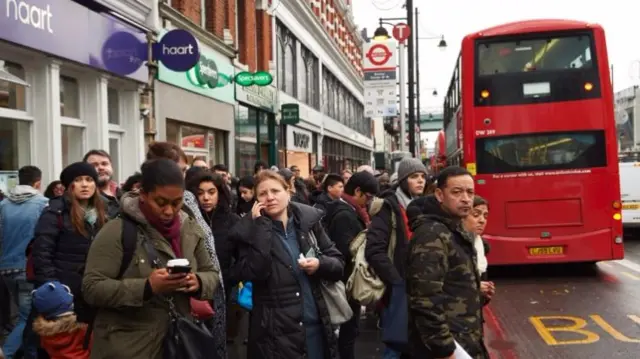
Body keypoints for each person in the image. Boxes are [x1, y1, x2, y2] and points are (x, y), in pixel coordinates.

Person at [82, 159, 220, 359]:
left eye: (176, 202)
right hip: (127, 348)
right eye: (161, 202)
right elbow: (91, 288)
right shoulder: (117, 231)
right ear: (144, 195)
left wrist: (196, 282)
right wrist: (147, 287)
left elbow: (211, 273)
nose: (169, 211)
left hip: (178, 342)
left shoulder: (189, 228)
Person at [229, 170, 344, 359]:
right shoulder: (248, 231)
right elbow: (256, 271)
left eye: (275, 191)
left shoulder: (308, 223)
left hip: (315, 326)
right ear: (256, 200)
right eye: (263, 194)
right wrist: (261, 227)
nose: (270, 198)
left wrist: (320, 264)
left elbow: (338, 263)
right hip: (275, 335)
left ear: (288, 191)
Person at [405, 166, 489, 359]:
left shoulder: (455, 229)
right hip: (448, 348)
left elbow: (454, 284)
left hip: (466, 340)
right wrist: (445, 349)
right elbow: (424, 300)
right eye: (457, 192)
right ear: (439, 195)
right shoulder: (431, 235)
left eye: (470, 192)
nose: (466, 198)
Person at [32, 162, 108, 324]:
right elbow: (42, 252)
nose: (85, 185)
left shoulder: (106, 211)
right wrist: (54, 288)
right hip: (66, 291)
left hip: (97, 289)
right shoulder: (55, 211)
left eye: (89, 179)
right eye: (78, 180)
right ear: (69, 186)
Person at [0, 166, 48, 358]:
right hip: (28, 267)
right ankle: (7, 352)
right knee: (27, 317)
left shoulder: (3, 205)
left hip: (5, 267)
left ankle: (29, 353)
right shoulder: (43, 203)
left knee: (23, 314)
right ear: (38, 182)